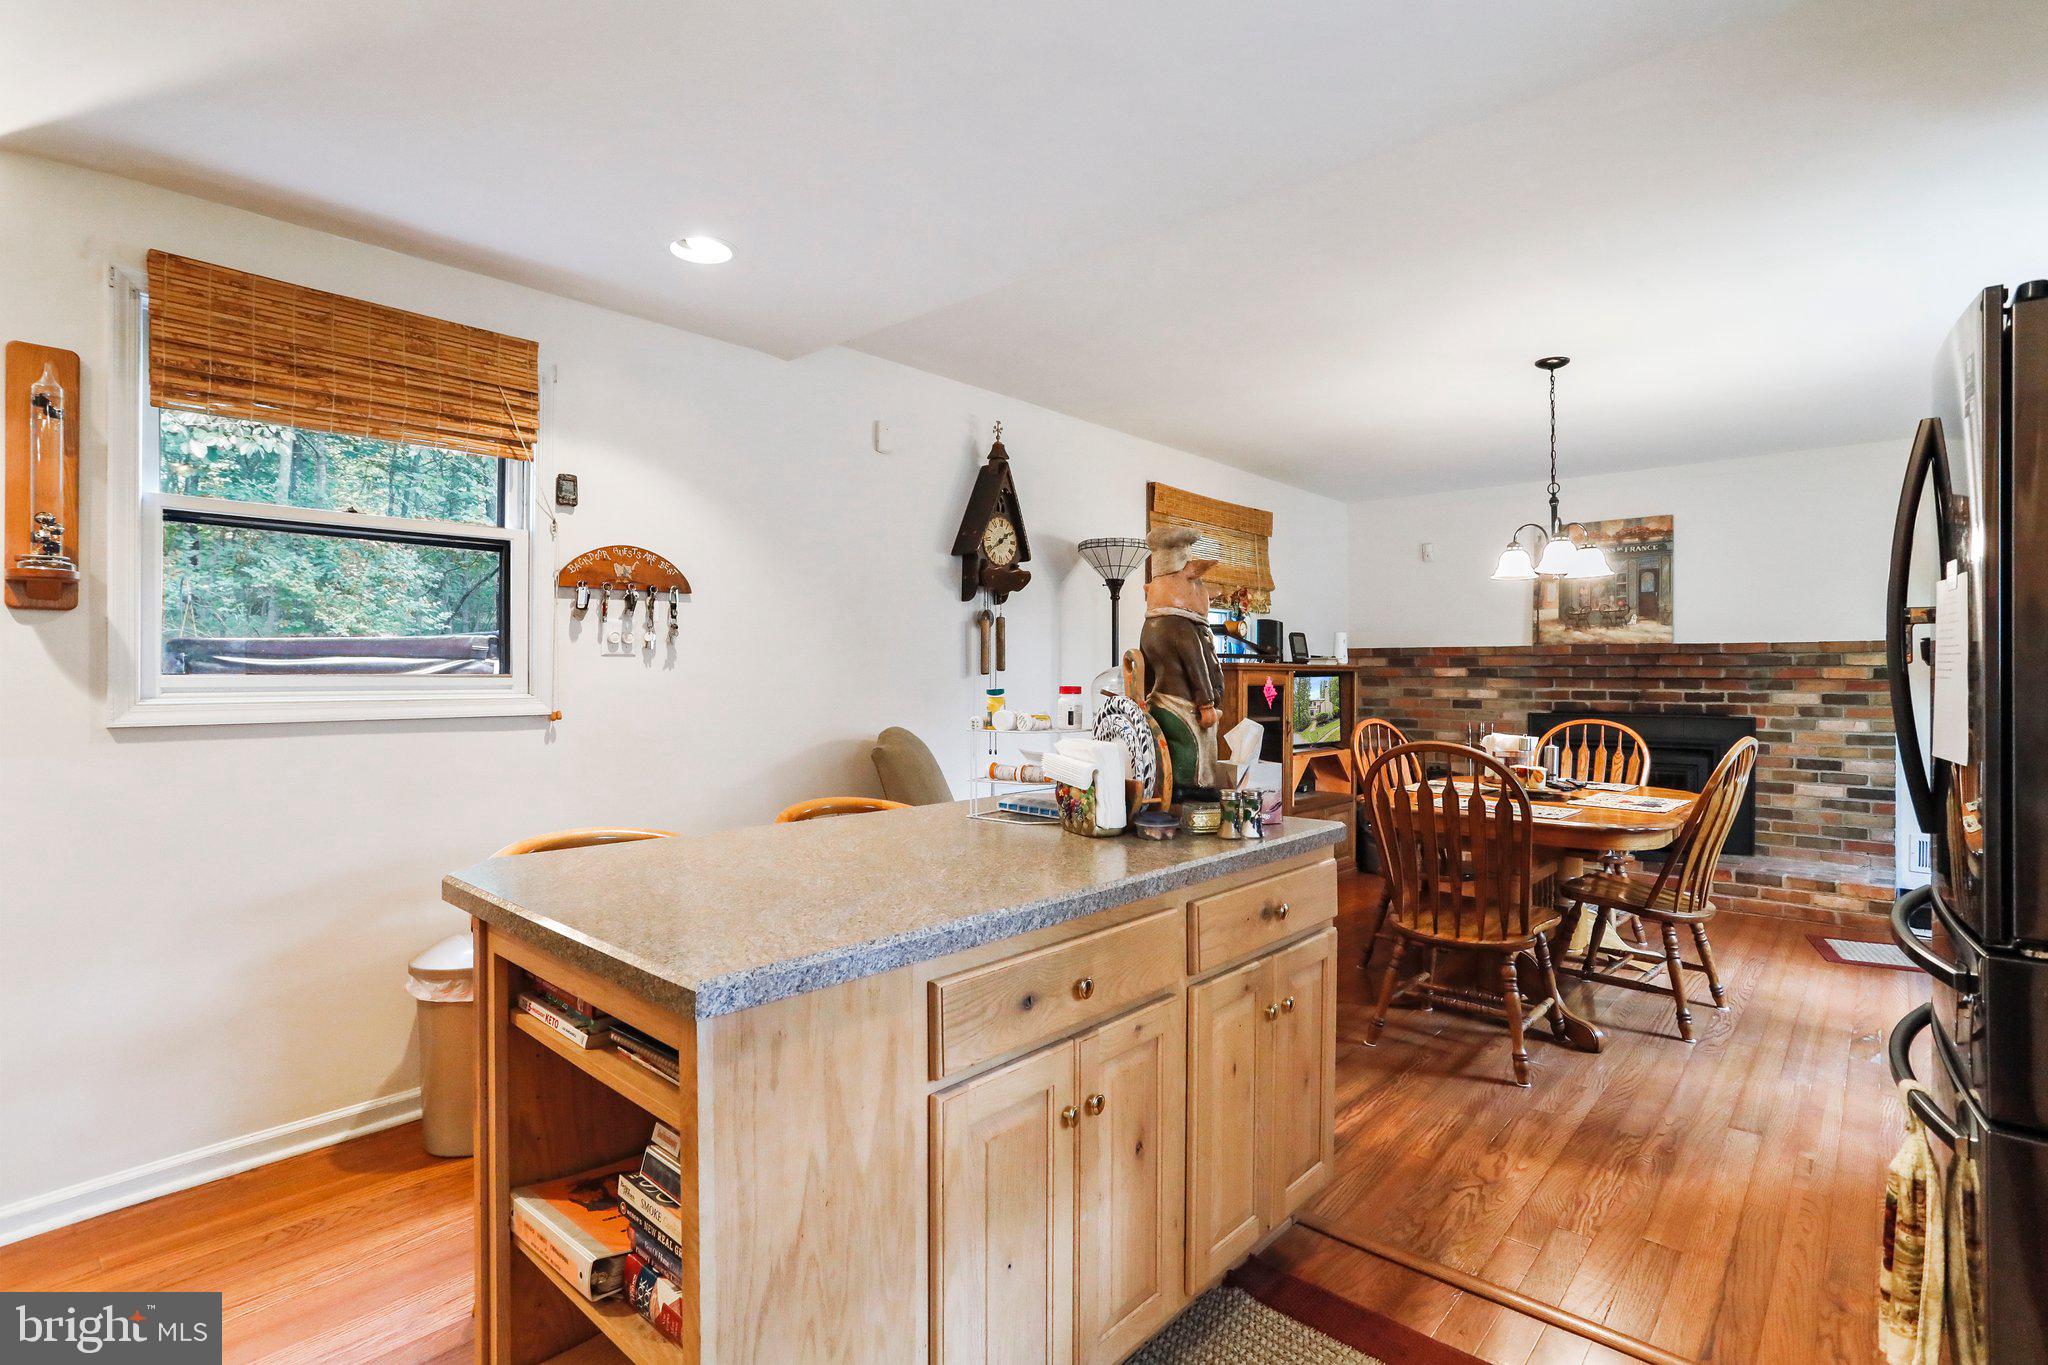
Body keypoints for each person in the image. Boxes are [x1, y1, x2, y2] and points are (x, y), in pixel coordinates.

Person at [1138, 526, 1224, 788]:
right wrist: (1207, 704)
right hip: (1187, 708)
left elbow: (1144, 666)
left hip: (1162, 702)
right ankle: (1193, 789)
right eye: (1197, 582)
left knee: (1173, 750)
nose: (1205, 592)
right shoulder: (1182, 627)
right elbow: (1196, 664)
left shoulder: (1151, 626)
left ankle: (1174, 789)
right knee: (1194, 752)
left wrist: (1141, 698)